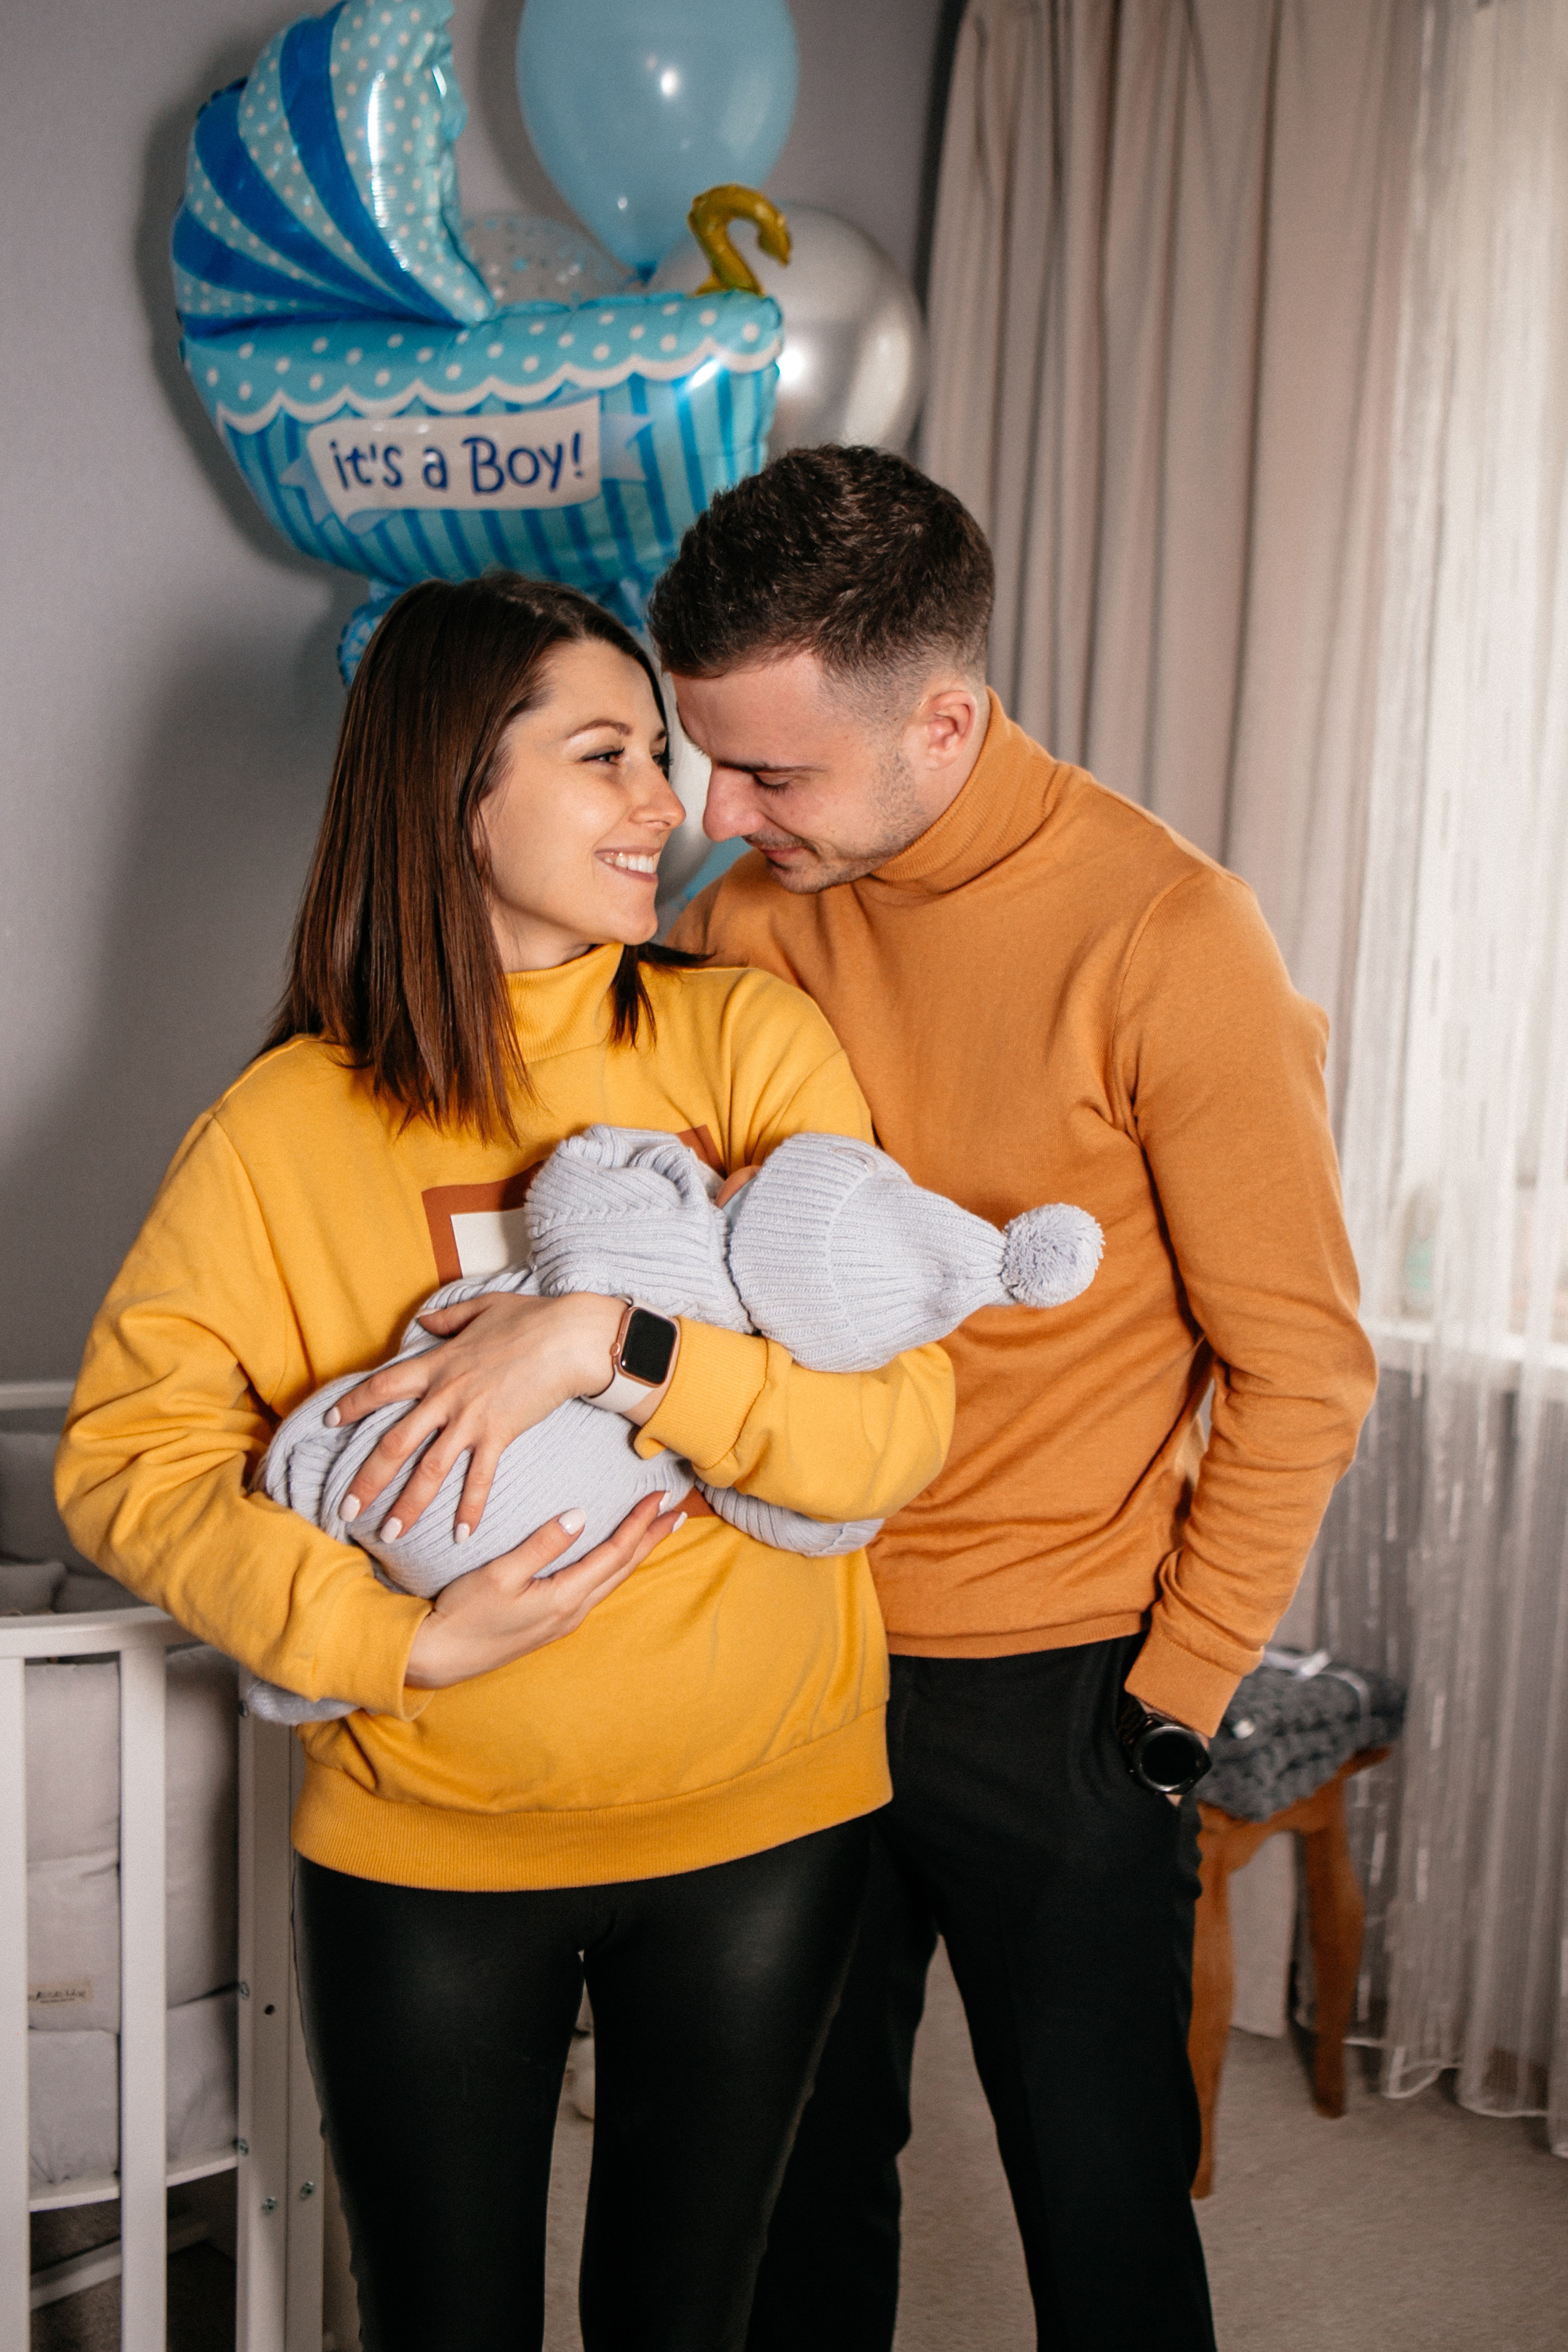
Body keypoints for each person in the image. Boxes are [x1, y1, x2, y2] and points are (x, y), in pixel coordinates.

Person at [54, 573, 955, 2352]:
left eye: (665, 757)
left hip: (764, 1823)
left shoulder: (744, 1046)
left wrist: (607, 1343)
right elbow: (126, 1458)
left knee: (680, 2321)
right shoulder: (283, 1128)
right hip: (429, 1849)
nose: (668, 808)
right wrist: (386, 1641)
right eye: (608, 754)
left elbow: (892, 1428)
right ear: (454, 786)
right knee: (441, 2325)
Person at [646, 445, 1380, 2351]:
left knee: (1099, 2194)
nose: (713, 811)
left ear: (943, 722)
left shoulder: (1171, 942)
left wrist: (1174, 1698)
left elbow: (1300, 1363)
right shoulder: (742, 912)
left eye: (769, 770)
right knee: (796, 2176)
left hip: (1059, 1687)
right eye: (703, 755)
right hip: (783, 1637)